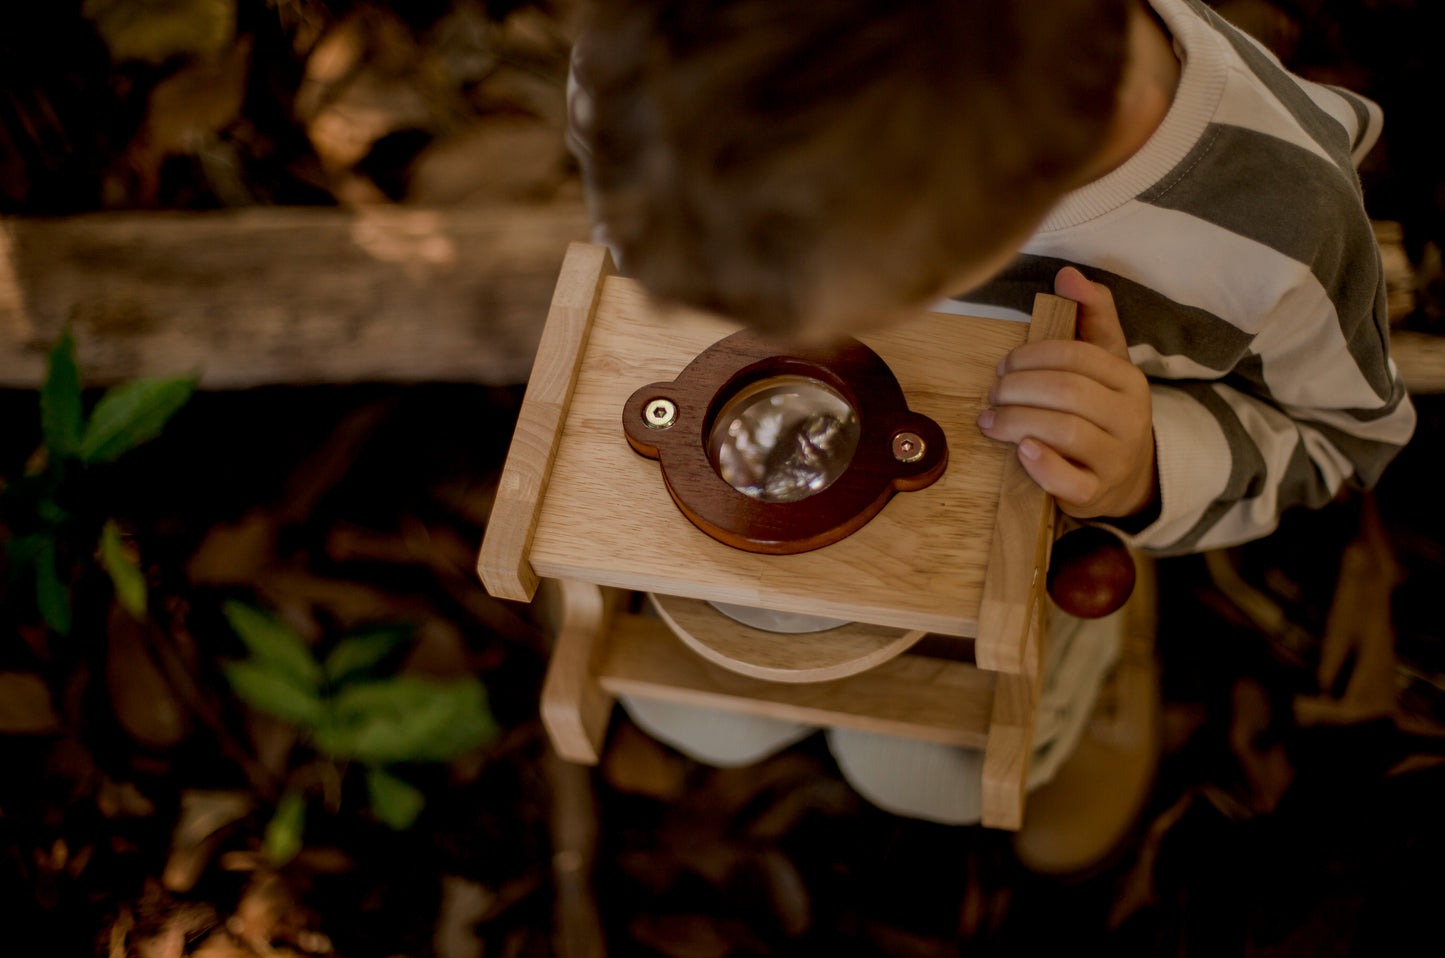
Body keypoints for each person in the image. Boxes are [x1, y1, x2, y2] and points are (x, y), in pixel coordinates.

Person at [563, 0, 1417, 871]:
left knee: (927, 772)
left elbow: (1339, 440)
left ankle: (1101, 660)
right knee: (708, 710)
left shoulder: (1274, 222)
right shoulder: (667, 63)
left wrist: (1140, 465)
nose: (801, 330)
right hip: (760, 498)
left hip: (1039, 513)